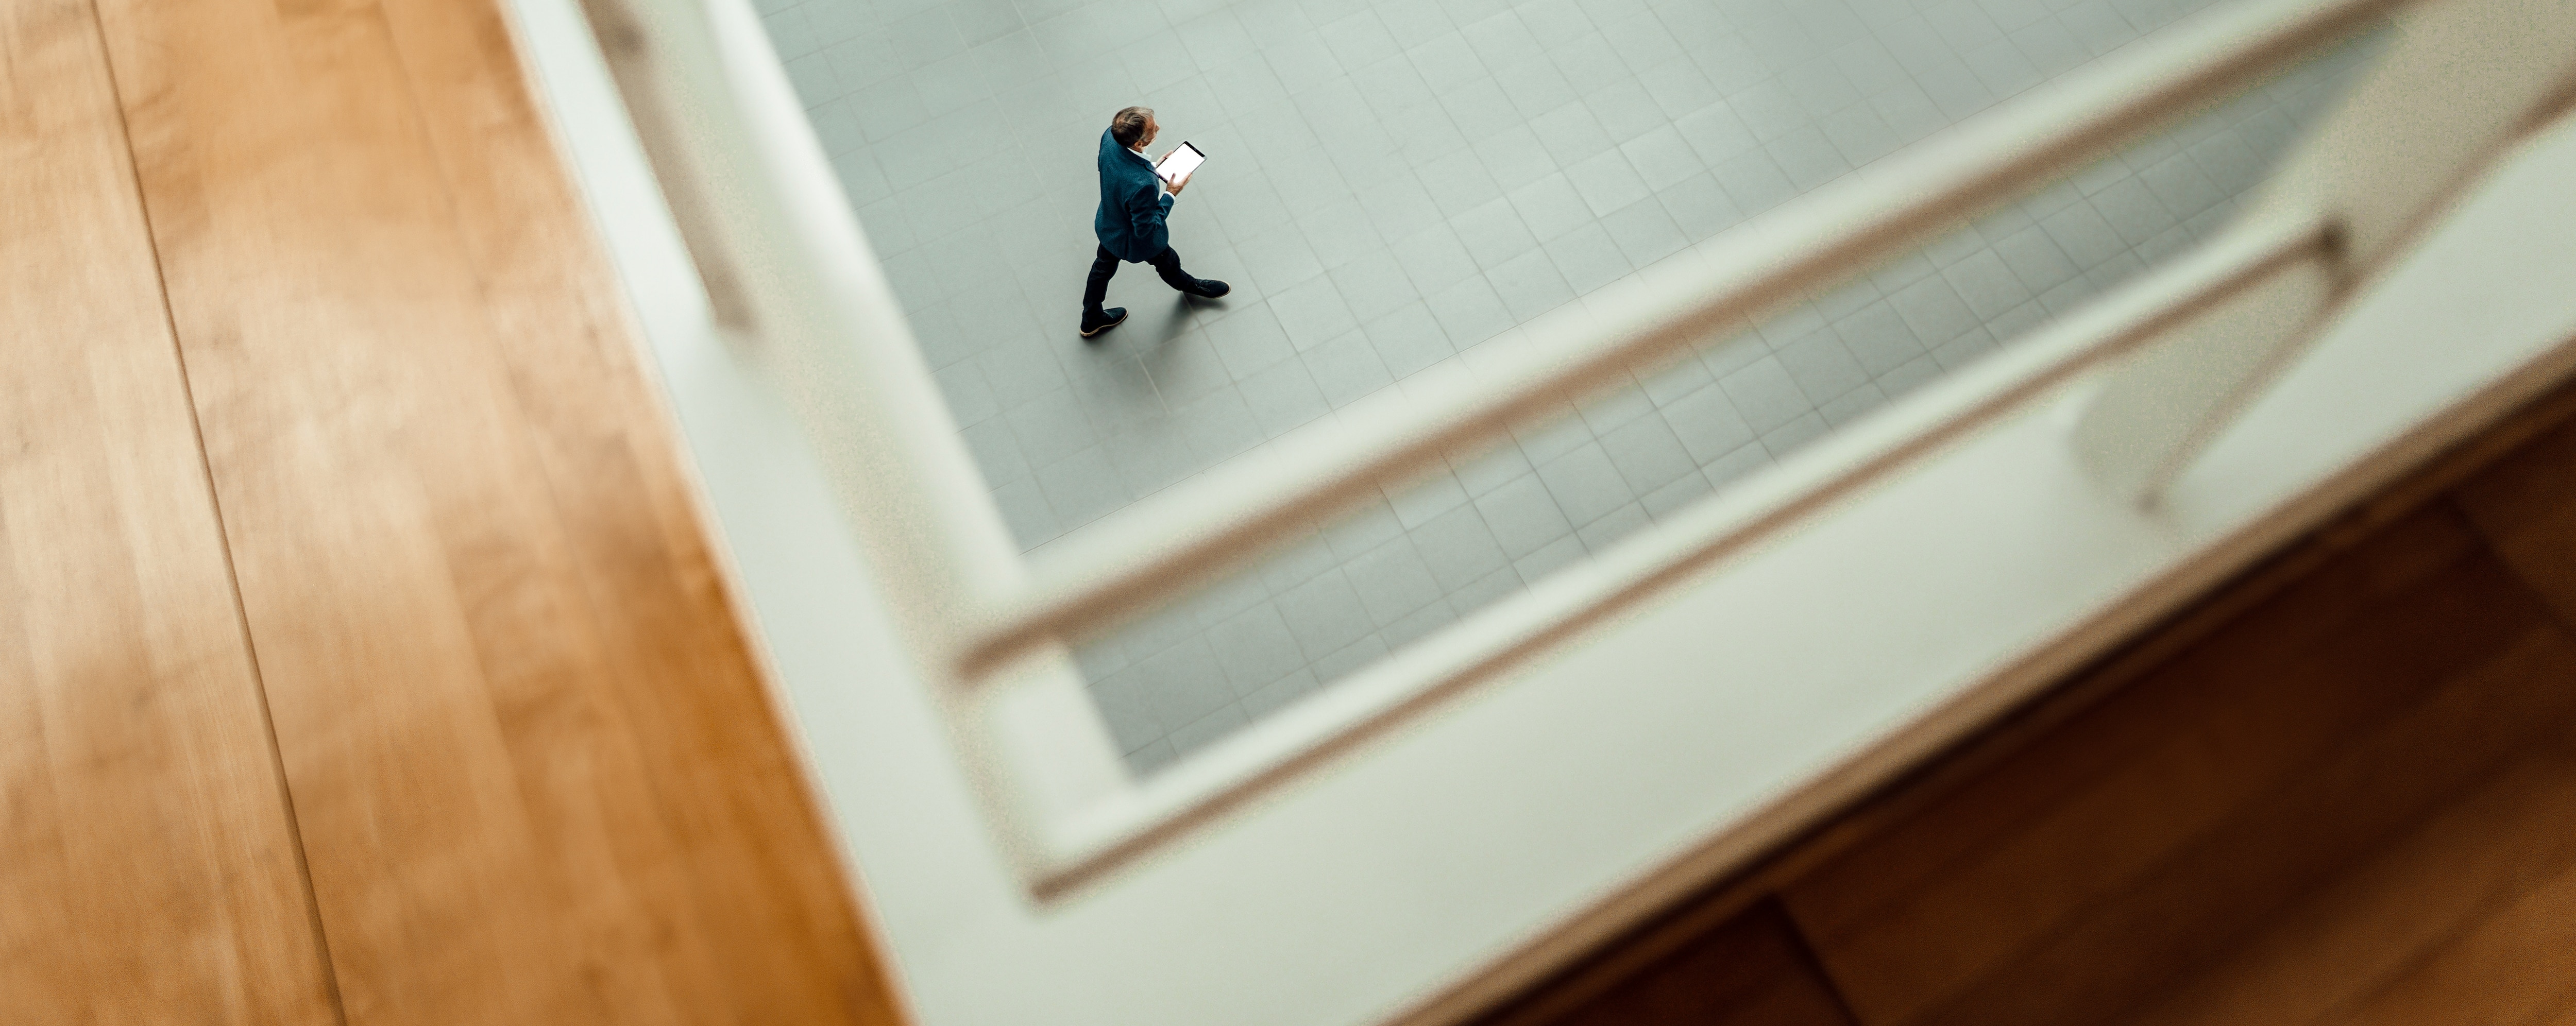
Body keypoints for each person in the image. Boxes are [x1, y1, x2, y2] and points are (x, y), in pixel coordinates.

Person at [1080, 106, 1229, 339]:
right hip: (1134, 240)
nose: (1158, 128)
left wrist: (1151, 168)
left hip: (1110, 225)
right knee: (1168, 262)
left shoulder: (1109, 136)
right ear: (1139, 144)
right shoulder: (1144, 185)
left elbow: (1114, 172)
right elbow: (1146, 228)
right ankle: (1190, 287)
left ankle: (1091, 318)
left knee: (1101, 270)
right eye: (1153, 129)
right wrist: (1170, 193)